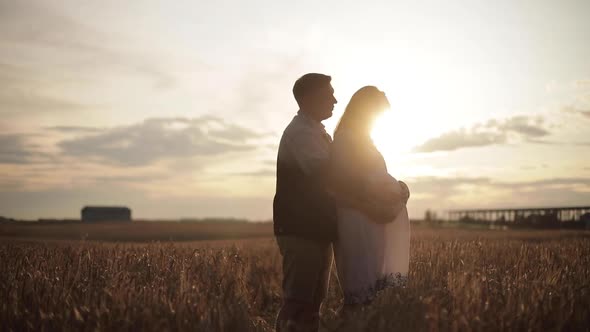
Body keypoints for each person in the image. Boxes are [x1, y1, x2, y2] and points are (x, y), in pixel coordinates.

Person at [329, 86, 411, 309]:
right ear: (366, 111)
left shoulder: (365, 140)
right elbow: (343, 184)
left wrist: (400, 189)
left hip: (372, 219)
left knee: (371, 289)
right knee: (360, 285)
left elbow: (373, 178)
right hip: (357, 219)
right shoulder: (346, 140)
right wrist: (375, 203)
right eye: (378, 113)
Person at [273, 73, 338, 332]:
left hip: (317, 229)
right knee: (298, 302)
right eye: (329, 94)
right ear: (310, 98)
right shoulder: (300, 133)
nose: (335, 99)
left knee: (313, 304)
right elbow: (325, 172)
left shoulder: (316, 132)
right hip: (301, 230)